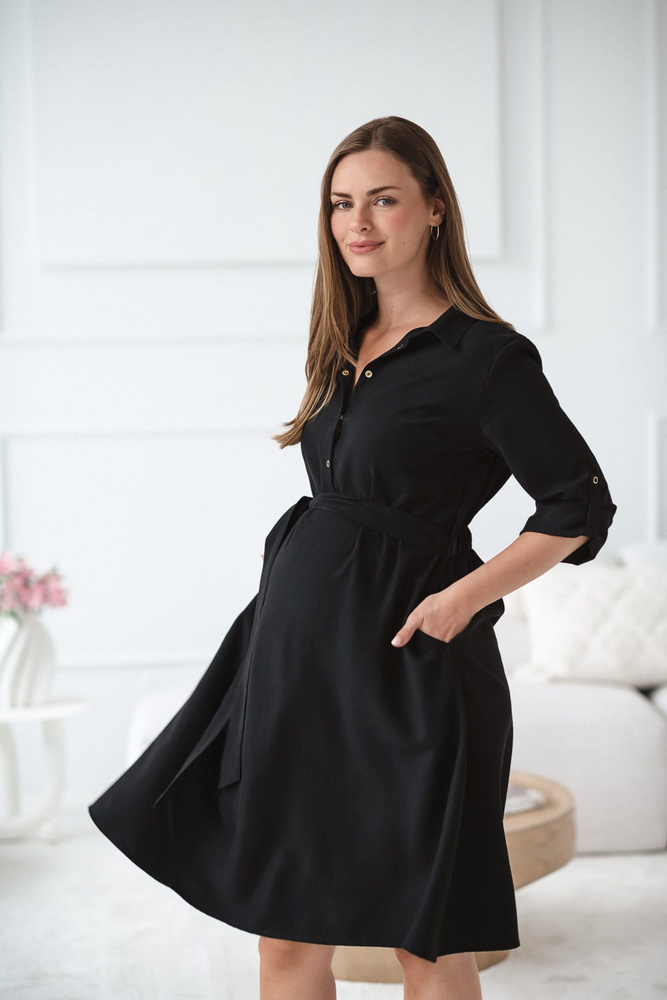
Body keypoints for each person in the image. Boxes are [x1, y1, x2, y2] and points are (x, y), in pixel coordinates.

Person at [88, 116, 617, 999]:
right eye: (340, 203)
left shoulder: (485, 357)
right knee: (286, 942)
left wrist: (460, 599)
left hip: (414, 672)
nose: (357, 222)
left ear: (434, 209)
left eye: (382, 200)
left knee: (429, 944)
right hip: (300, 667)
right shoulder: (344, 340)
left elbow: (577, 505)